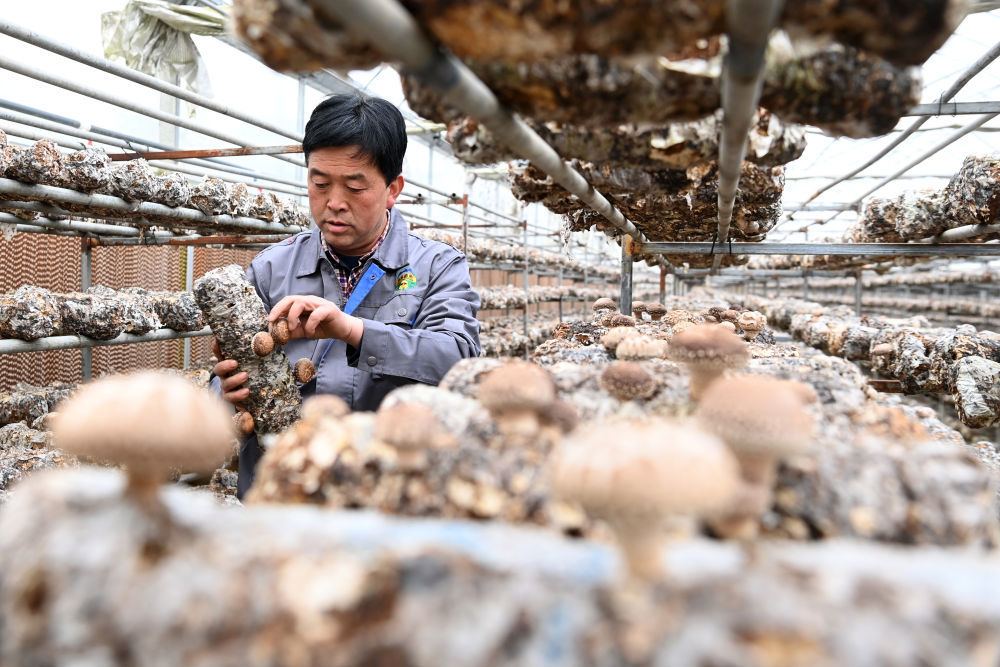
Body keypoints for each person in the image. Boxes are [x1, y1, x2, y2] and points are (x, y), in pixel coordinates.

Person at [213, 93, 482, 497]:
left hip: (391, 495)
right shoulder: (272, 269)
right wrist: (226, 394)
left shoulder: (435, 268)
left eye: (355, 187)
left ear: (393, 189)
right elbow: (229, 375)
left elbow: (459, 358)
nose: (334, 203)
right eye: (319, 184)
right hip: (285, 495)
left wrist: (355, 331)